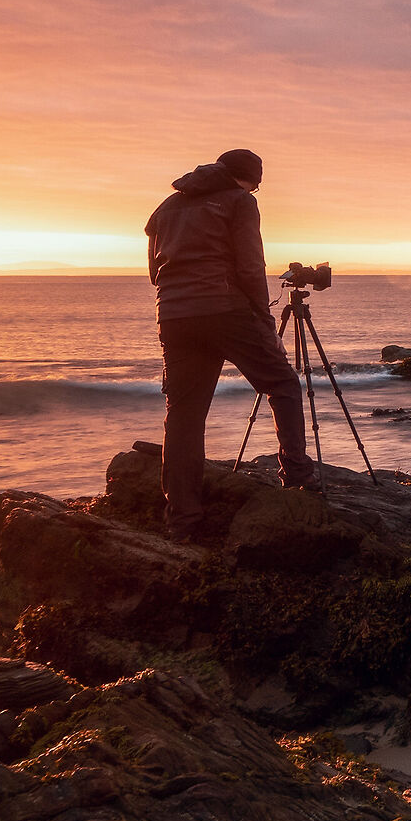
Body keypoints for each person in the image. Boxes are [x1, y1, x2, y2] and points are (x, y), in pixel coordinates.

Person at [145, 148, 317, 534]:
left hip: (173, 314)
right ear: (249, 180)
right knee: (283, 384)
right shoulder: (239, 202)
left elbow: (155, 272)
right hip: (226, 309)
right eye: (256, 186)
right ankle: (298, 476)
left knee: (184, 414)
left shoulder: (166, 207)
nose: (255, 192)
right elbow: (250, 265)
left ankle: (183, 517)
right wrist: (264, 317)